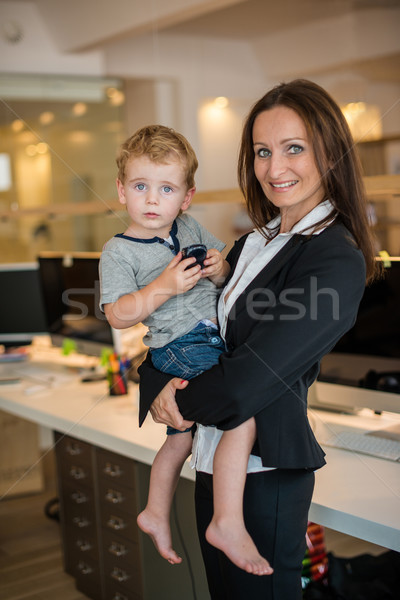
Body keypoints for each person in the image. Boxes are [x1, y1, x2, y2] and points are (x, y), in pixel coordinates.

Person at [137, 80, 379, 600]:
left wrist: (177, 401)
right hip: (210, 455)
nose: (274, 168)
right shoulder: (253, 242)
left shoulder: (334, 257)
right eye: (263, 152)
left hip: (263, 472)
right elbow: (186, 322)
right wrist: (154, 381)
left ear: (330, 154)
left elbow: (254, 377)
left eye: (295, 149)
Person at [99, 125, 273, 575]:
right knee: (243, 409)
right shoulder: (119, 252)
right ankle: (227, 522)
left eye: (166, 189)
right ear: (122, 191)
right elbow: (118, 314)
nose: (152, 200)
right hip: (180, 345)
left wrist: (220, 268)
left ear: (186, 196)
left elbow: (226, 272)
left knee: (180, 436)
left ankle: (155, 512)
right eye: (141, 187)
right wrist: (162, 286)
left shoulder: (190, 226)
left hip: (212, 336)